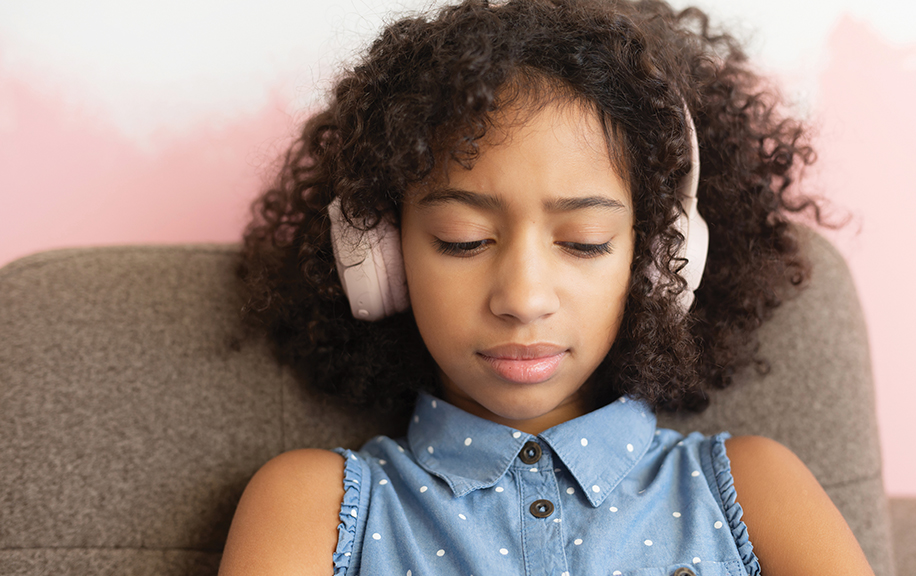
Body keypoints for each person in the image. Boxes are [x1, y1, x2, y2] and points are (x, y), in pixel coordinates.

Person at [219, 0, 873, 574]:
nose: (524, 298)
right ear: (380, 253)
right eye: (462, 238)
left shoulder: (755, 491)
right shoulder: (312, 507)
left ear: (657, 260)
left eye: (584, 240)